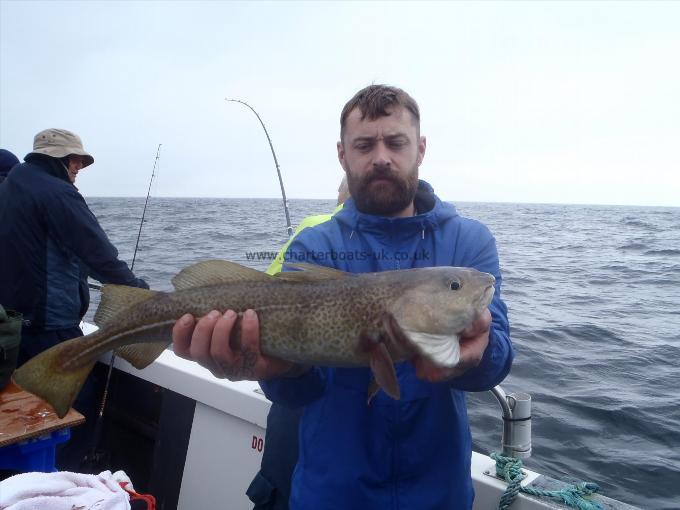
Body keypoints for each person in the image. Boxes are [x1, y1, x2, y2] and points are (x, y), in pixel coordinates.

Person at [172, 85, 513, 509]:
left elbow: (496, 359)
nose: (382, 157)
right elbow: (298, 393)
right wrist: (279, 370)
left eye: (396, 142)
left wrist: (476, 356)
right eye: (365, 145)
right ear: (342, 154)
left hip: (439, 495)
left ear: (420, 148)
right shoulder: (314, 246)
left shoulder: (468, 243)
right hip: (331, 494)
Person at [0, 128, 148, 469]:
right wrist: (141, 292)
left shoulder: (12, 187)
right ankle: (64, 484)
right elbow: (99, 256)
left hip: (12, 332)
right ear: (58, 159)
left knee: (24, 417)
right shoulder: (58, 194)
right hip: (48, 332)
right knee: (71, 414)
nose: (79, 166)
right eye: (75, 160)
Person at [247, 177, 350, 509]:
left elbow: (264, 292)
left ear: (341, 197)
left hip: (294, 396)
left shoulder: (311, 227)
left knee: (281, 487)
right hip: (337, 409)